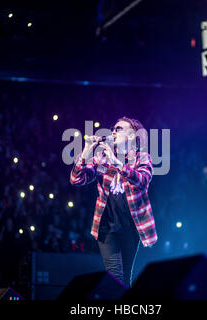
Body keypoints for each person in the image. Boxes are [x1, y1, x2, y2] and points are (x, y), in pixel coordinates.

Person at [70, 116, 157, 288]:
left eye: (119, 129)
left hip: (131, 226)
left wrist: (117, 163)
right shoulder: (102, 158)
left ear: (132, 136)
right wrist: (87, 150)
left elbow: (142, 180)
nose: (113, 132)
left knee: (125, 277)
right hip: (106, 226)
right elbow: (76, 179)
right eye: (113, 129)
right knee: (114, 274)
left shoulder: (142, 158)